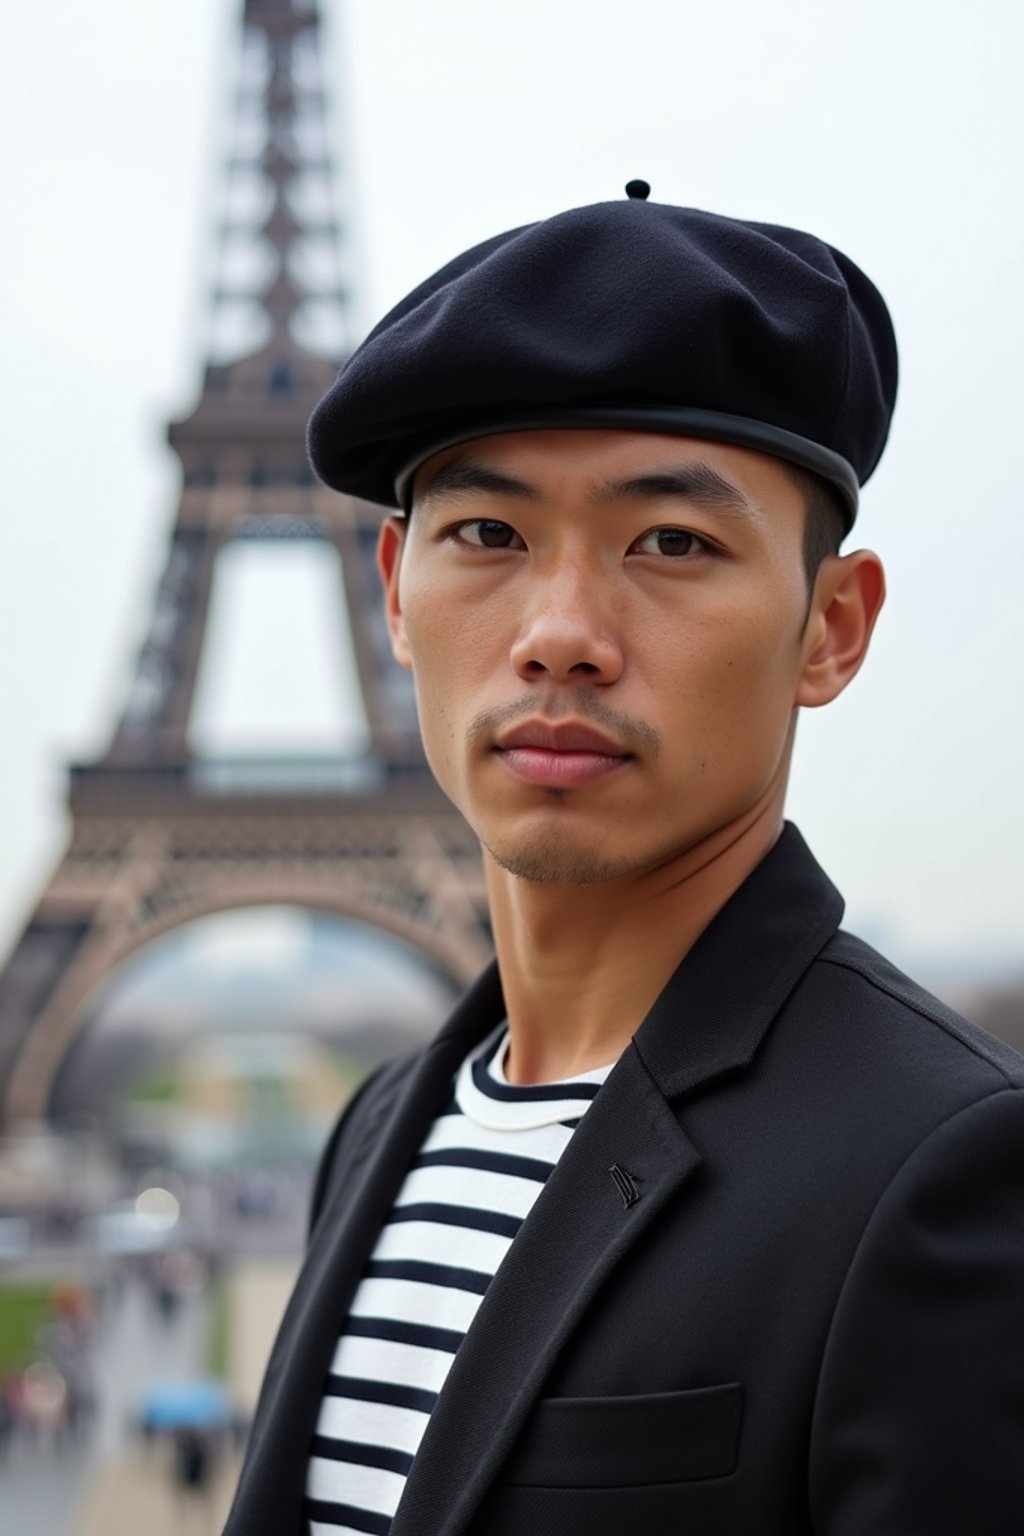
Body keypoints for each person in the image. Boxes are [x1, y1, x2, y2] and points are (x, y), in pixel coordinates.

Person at [222, 185, 1024, 1536]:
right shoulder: (377, 1131)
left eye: (671, 542)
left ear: (831, 627)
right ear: (395, 595)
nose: (562, 632)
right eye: (487, 534)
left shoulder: (945, 1170)